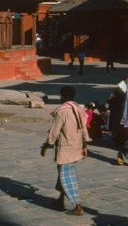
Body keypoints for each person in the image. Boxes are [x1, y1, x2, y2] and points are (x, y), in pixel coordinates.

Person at [41, 86, 89, 216]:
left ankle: (78, 206)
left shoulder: (62, 111)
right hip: (76, 147)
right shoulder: (79, 108)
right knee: (63, 173)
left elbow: (54, 132)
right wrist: (85, 145)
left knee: (67, 177)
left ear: (62, 96)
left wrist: (46, 146)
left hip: (65, 148)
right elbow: (84, 129)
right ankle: (60, 200)